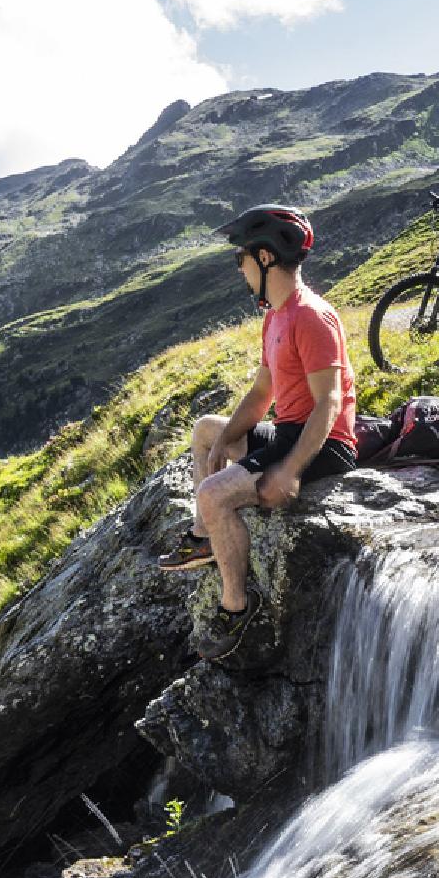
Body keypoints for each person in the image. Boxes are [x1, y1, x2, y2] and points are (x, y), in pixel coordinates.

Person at [158, 204, 359, 660]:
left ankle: (236, 607)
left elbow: (328, 403)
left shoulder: (312, 317)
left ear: (265, 257)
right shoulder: (276, 316)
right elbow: (261, 392)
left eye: (241, 258)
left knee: (213, 494)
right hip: (289, 431)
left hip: (324, 445)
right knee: (205, 430)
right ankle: (204, 539)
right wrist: (223, 439)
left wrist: (289, 470)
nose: (240, 268)